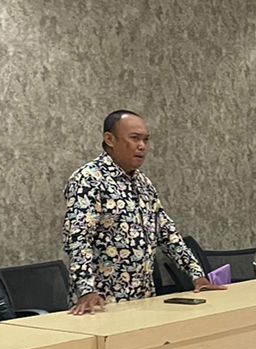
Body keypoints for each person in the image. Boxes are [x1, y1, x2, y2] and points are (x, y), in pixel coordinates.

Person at [62, 110, 221, 313]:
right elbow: (78, 239)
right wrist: (86, 290)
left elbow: (167, 233)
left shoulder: (143, 183)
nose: (142, 146)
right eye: (135, 138)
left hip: (144, 301)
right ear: (110, 139)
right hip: (100, 303)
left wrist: (197, 275)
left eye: (146, 139)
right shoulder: (88, 179)